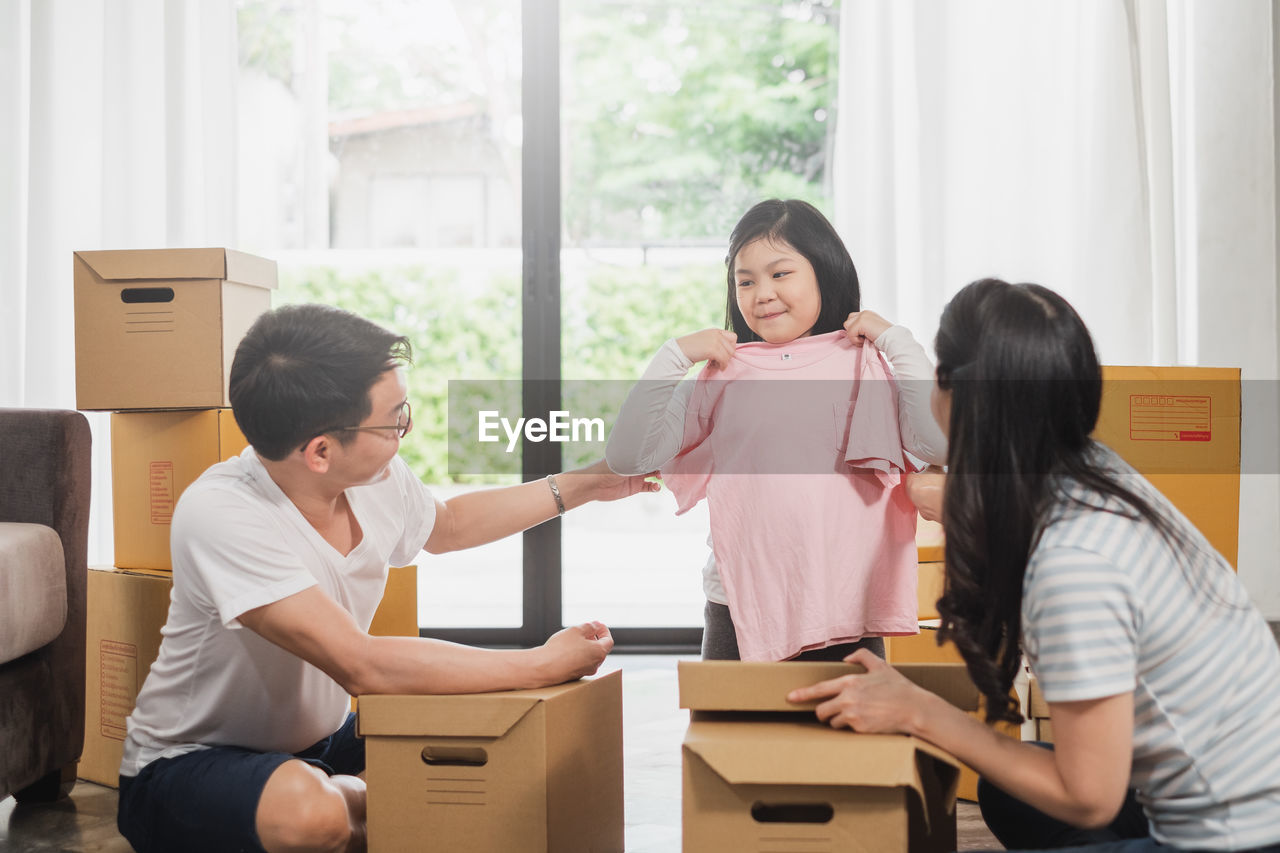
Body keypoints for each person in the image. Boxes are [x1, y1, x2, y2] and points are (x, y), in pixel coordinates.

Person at [115, 303, 657, 853]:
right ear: (320, 451)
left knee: (495, 752)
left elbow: (448, 526)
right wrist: (540, 663)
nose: (406, 428)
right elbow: (360, 663)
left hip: (328, 743)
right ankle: (373, 803)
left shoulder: (374, 474)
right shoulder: (222, 514)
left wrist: (592, 482)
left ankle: (370, 801)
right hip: (190, 764)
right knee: (312, 817)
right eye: (394, 418)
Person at [789, 279, 1280, 852]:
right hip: (1248, 787)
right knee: (1010, 791)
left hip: (1241, 839)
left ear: (953, 394)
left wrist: (921, 712)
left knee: (1046, 789)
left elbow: (1088, 798)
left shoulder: (1071, 563)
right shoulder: (1095, 467)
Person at [606, 199, 946, 662]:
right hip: (740, 606)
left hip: (849, 604)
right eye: (745, 281)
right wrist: (675, 355)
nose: (761, 293)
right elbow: (629, 456)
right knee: (729, 735)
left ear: (825, 272)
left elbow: (934, 443)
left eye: (780, 273)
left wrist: (896, 339)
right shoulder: (723, 374)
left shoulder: (870, 365)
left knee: (844, 736)